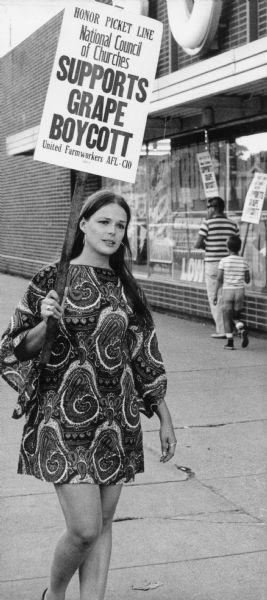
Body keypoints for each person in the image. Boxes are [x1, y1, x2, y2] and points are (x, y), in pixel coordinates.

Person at [0, 189, 176, 600]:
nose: (113, 232)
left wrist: (165, 417)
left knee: (104, 524)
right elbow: (12, 348)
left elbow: (144, 355)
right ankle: (55, 594)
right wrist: (46, 322)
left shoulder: (128, 287)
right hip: (63, 419)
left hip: (118, 419)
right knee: (84, 529)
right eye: (104, 222)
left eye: (120, 225)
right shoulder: (50, 278)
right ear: (83, 225)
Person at [195, 196, 239, 338]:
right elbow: (237, 243)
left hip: (213, 265)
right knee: (226, 296)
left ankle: (222, 330)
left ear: (214, 208)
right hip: (230, 263)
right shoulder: (233, 224)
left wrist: (208, 246)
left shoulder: (207, 223)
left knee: (214, 296)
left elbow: (198, 243)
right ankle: (232, 327)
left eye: (208, 208)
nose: (207, 211)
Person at [213, 234, 250, 350]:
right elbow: (247, 280)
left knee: (226, 317)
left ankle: (230, 343)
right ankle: (241, 329)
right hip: (239, 291)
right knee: (236, 316)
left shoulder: (224, 261)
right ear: (239, 248)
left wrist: (215, 294)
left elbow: (219, 278)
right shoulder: (244, 261)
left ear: (227, 248)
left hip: (228, 291)